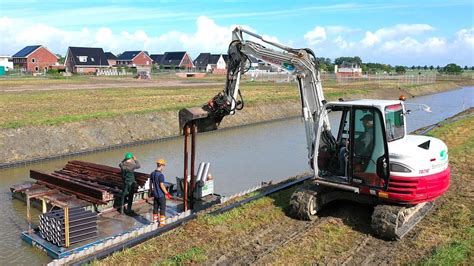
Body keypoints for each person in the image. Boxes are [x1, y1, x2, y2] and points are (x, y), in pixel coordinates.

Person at [150, 159, 172, 226]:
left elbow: (150, 184)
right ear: (161, 165)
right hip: (161, 195)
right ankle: (162, 223)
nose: (163, 167)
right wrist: (167, 193)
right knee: (162, 208)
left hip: (155, 195)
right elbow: (161, 185)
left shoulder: (152, 173)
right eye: (163, 165)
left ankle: (155, 221)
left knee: (155, 208)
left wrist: (152, 191)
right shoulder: (161, 175)